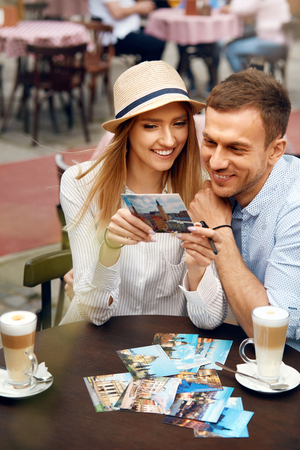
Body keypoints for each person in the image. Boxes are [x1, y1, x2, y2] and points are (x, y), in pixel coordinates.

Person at [60, 60, 227, 328]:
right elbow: (94, 314)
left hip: (171, 351)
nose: (169, 140)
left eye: (179, 123)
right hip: (94, 345)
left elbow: (209, 320)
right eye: (151, 126)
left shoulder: (202, 188)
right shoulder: (81, 184)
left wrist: (197, 269)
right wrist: (109, 249)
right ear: (127, 129)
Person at [180, 68, 300, 351]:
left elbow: (274, 332)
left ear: (275, 150)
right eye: (210, 141)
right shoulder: (219, 192)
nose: (216, 162)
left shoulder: (295, 207)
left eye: (236, 148)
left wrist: (221, 233)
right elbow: (206, 316)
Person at [221, 0, 292, 73]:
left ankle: (245, 81)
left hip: (271, 41)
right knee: (241, 44)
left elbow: (239, 9)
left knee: (230, 49)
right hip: (281, 41)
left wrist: (229, 8)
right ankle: (250, 75)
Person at [88, 0, 165, 62]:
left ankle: (140, 75)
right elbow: (117, 13)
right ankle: (144, 78)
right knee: (155, 45)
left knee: (159, 36)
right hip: (114, 37)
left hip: (126, 31)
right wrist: (139, 7)